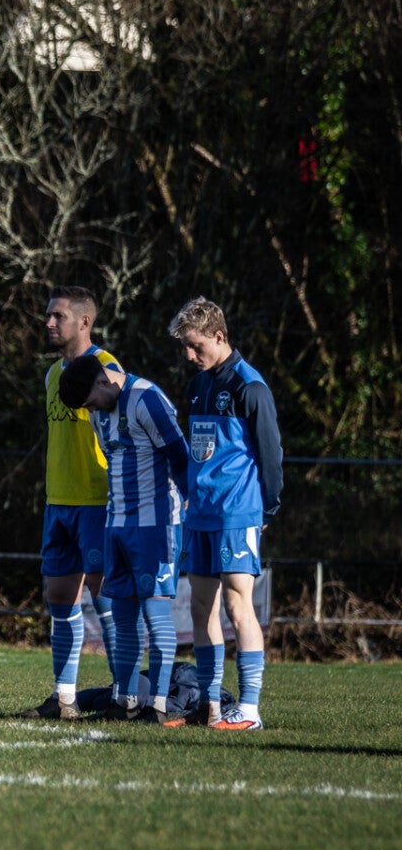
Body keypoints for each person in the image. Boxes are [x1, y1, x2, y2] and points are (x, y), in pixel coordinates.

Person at [171, 297, 282, 730]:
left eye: (196, 345)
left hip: (237, 512)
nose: (189, 355)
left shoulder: (249, 387)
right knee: (200, 609)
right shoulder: (197, 386)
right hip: (199, 515)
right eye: (185, 346)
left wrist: (267, 506)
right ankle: (210, 704)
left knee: (239, 607)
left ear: (220, 336)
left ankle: (249, 709)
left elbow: (270, 454)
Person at [57, 357, 187, 723]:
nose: (92, 410)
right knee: (125, 616)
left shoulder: (147, 398)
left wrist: (192, 507)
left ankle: (159, 705)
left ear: (103, 380)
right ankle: (125, 700)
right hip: (118, 525)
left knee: (155, 612)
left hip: (156, 524)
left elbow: (179, 456)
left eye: (90, 401)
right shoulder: (99, 412)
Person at [21, 286, 123, 719]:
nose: (48, 323)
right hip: (58, 501)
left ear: (84, 321)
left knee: (106, 599)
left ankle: (124, 697)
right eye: (48, 315)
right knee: (59, 597)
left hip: (96, 501)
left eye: (58, 316)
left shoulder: (108, 370)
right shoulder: (51, 374)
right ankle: (65, 698)